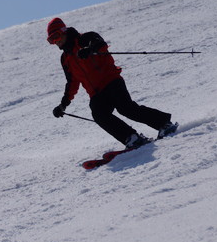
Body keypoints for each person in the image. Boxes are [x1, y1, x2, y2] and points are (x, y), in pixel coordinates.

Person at [46, 17, 178, 148]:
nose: (56, 42)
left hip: (111, 81)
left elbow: (100, 44)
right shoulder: (65, 59)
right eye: (51, 40)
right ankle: (131, 138)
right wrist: (63, 105)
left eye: (56, 36)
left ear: (64, 31)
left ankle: (164, 124)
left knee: (126, 108)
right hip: (96, 93)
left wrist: (90, 49)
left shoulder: (85, 38)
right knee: (99, 114)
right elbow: (72, 82)